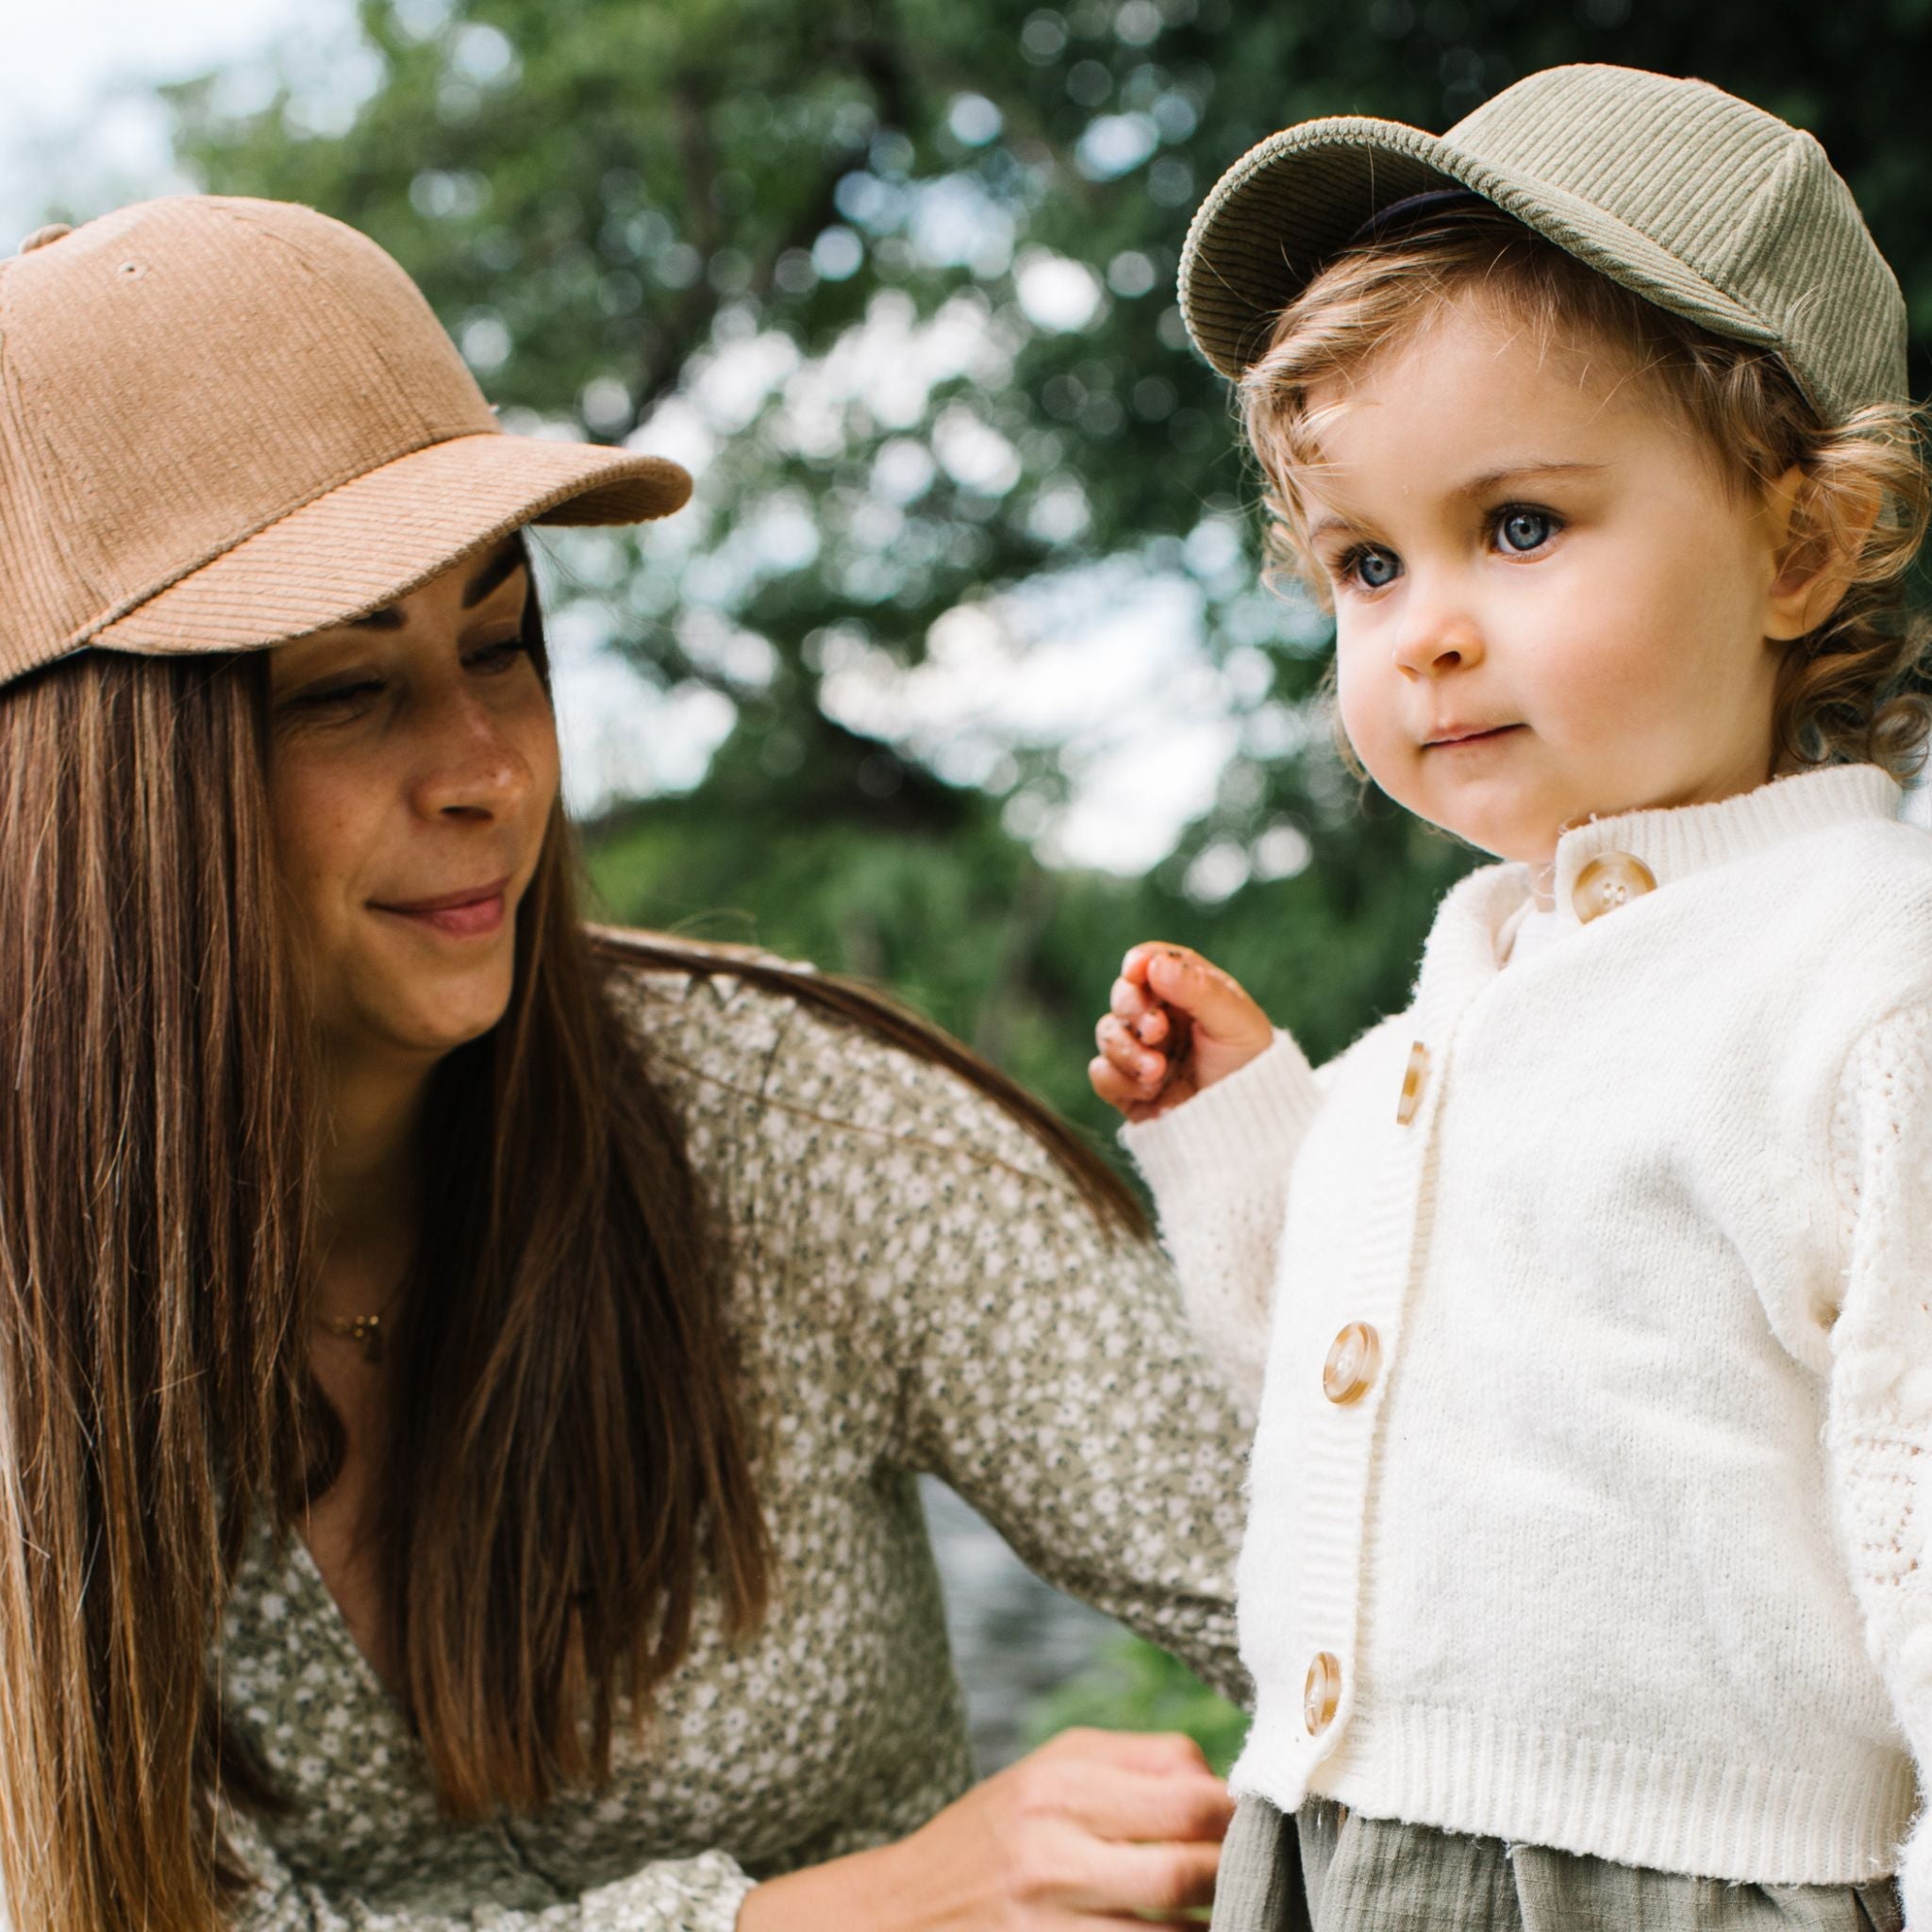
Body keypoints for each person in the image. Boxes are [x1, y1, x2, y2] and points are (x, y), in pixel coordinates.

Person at [0, 196, 1252, 1932]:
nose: (488, 769)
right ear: (103, 798)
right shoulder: (25, 1320)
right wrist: (840, 1917)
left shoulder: (788, 1123)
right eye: (349, 691)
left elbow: (1354, 1592)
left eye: (501, 647)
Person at [1089, 63, 1932, 1932]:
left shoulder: (1856, 975)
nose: (1427, 626)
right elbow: (1362, 1394)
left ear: (1798, 542)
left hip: (1671, 1874)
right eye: (1365, 563)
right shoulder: (1471, 982)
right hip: (1344, 1837)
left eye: (1522, 525)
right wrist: (1246, 1137)